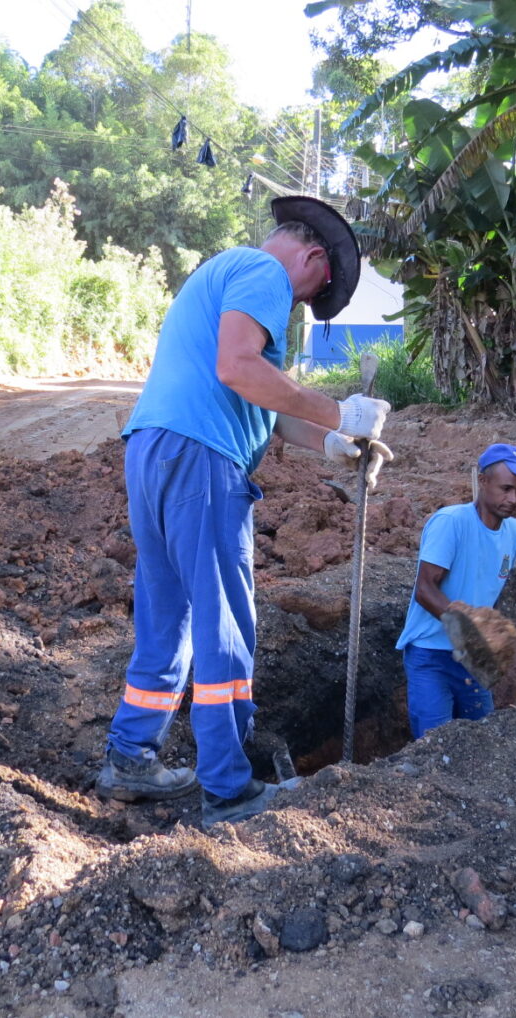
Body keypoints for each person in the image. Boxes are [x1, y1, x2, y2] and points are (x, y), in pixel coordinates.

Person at [96, 195, 394, 828]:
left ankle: (130, 758)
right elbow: (238, 369)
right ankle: (229, 790)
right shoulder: (264, 274)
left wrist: (335, 445)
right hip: (202, 463)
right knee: (225, 623)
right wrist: (342, 411)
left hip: (154, 453)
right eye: (315, 292)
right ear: (312, 256)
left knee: (167, 615)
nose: (301, 306)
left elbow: (265, 403)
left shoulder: (221, 276)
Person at [395, 443, 516, 738]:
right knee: (433, 747)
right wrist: (470, 625)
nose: (513, 499)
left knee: (479, 746)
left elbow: (487, 585)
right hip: (431, 653)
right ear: (482, 482)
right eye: (505, 488)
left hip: (471, 657)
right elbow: (425, 590)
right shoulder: (451, 523)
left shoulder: (514, 532)